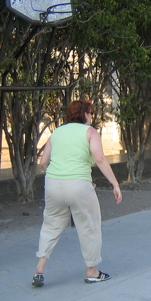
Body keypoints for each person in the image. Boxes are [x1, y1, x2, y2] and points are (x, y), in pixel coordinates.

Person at [32, 100, 122, 287]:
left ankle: (40, 268)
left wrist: (57, 172)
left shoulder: (57, 132)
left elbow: (43, 162)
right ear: (85, 114)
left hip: (53, 183)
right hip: (79, 184)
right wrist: (115, 183)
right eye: (90, 113)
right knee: (89, 226)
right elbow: (99, 158)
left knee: (51, 224)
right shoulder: (90, 132)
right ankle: (92, 271)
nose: (91, 116)